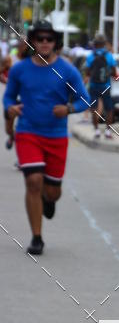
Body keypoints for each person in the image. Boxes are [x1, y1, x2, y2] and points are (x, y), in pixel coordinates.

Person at [3, 20, 90, 255]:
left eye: (48, 39)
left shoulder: (68, 70)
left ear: (55, 42)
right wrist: (10, 109)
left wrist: (68, 110)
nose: (44, 42)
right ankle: (37, 238)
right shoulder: (20, 69)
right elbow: (8, 97)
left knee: (52, 192)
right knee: (33, 181)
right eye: (39, 38)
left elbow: (85, 99)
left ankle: (48, 198)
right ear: (32, 41)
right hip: (28, 132)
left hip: (56, 136)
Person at [85, 32, 116, 139]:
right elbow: (114, 73)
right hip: (106, 85)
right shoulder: (109, 56)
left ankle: (97, 130)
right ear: (104, 44)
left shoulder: (90, 56)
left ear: (95, 44)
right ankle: (108, 131)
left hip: (94, 86)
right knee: (109, 109)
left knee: (94, 108)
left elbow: (88, 72)